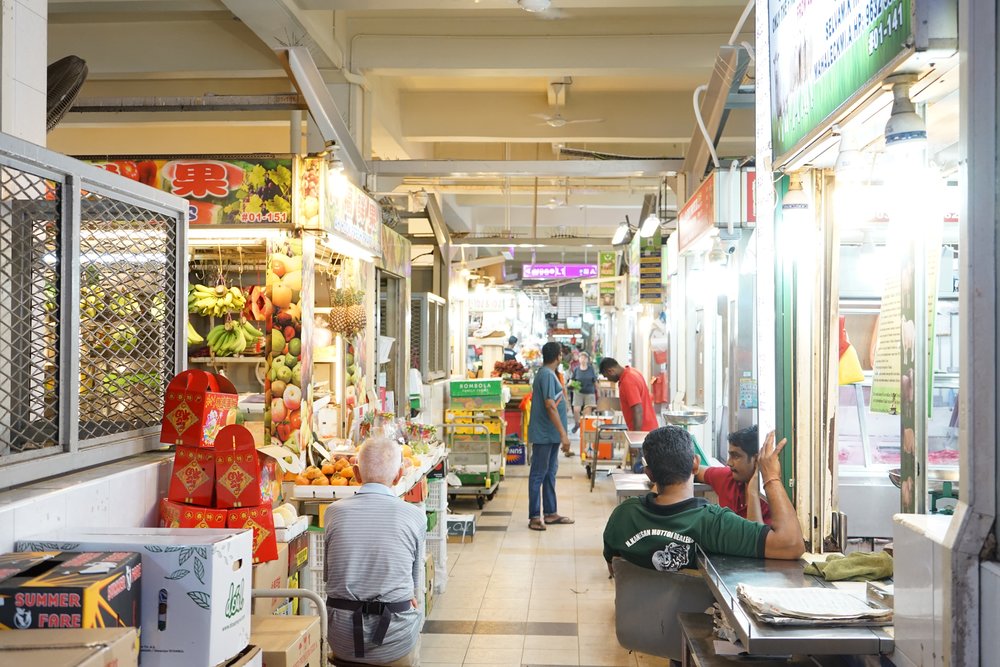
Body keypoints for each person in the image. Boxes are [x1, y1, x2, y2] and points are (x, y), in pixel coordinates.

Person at [603, 426, 803, 574]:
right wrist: (771, 477)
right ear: (695, 464)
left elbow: (613, 568)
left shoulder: (623, 515)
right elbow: (791, 545)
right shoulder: (715, 523)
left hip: (634, 624)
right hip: (695, 622)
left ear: (649, 474)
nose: (730, 463)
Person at [324, 437, 425, 665]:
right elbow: (413, 585)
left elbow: (329, 578)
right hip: (395, 638)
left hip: (342, 637)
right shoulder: (414, 516)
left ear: (356, 474)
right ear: (399, 476)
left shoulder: (333, 513)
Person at [527, 341, 575, 531]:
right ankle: (534, 516)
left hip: (550, 435)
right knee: (538, 474)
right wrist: (564, 434)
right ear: (558, 356)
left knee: (549, 474)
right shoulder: (546, 375)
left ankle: (550, 512)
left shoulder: (549, 374)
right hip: (544, 435)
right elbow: (549, 405)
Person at [695, 424, 771, 524]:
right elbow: (693, 470)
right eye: (730, 455)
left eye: (736, 456)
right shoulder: (728, 477)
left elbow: (755, 536)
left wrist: (753, 493)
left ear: (756, 460)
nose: (728, 463)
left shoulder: (771, 496)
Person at [598, 358, 658, 432]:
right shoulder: (633, 371)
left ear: (611, 371)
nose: (608, 379)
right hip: (650, 427)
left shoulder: (627, 381)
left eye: (607, 376)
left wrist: (636, 436)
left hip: (643, 431)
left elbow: (637, 409)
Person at [570, 352, 598, 434]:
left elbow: (595, 381)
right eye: (581, 357)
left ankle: (586, 428)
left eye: (585, 358)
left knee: (587, 412)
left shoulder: (591, 369)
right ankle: (577, 424)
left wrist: (599, 391)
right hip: (578, 392)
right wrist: (570, 383)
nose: (583, 359)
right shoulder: (576, 369)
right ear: (579, 359)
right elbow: (572, 379)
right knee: (576, 410)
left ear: (587, 360)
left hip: (589, 392)